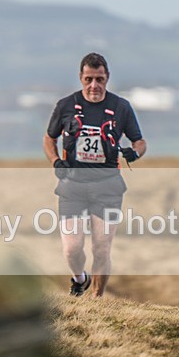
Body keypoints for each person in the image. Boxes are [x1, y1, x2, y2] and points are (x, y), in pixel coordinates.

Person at [42, 52, 147, 297]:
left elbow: (140, 141)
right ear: (80, 78)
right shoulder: (65, 105)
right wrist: (56, 161)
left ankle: (96, 301)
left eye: (99, 79)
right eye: (89, 79)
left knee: (101, 248)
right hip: (72, 187)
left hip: (107, 187)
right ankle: (80, 279)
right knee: (72, 249)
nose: (94, 86)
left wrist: (134, 153)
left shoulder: (121, 107)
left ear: (107, 78)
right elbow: (49, 138)